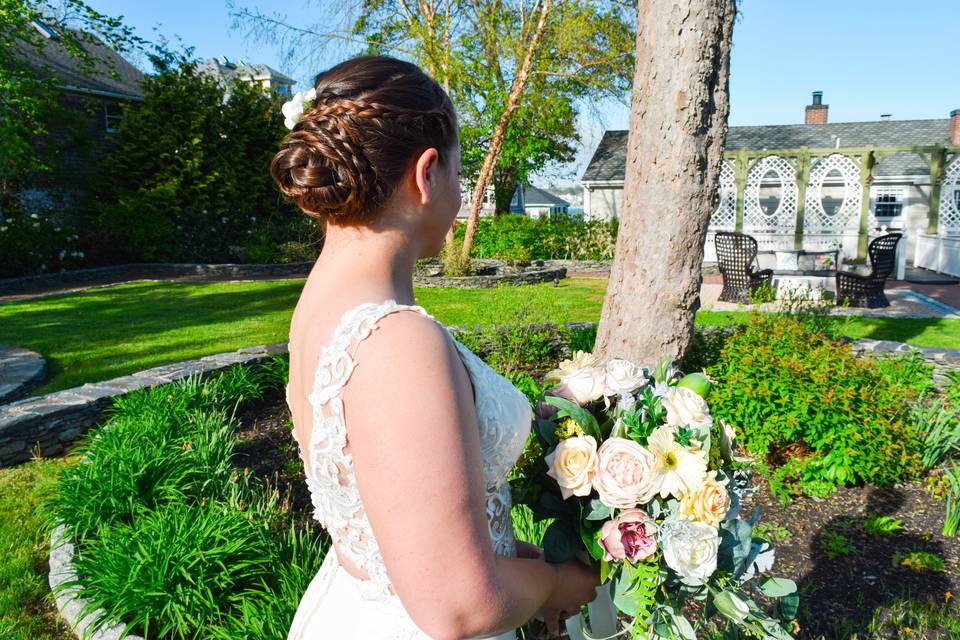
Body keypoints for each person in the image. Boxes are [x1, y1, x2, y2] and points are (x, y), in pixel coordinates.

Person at [274, 55, 599, 640]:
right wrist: (556, 585)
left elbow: (398, 519)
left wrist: (523, 560)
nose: (459, 187)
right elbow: (458, 605)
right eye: (458, 170)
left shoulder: (318, 310)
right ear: (426, 174)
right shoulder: (396, 341)